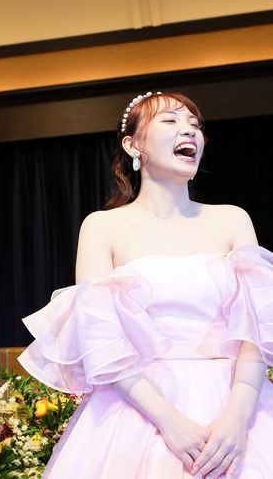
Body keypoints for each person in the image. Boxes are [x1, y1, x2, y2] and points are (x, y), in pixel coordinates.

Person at [19, 92, 273, 478]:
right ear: (133, 144)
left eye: (194, 125)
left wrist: (238, 419)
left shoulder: (232, 220)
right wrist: (170, 423)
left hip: (236, 405)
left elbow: (257, 328)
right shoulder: (103, 227)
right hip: (139, 409)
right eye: (170, 121)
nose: (188, 130)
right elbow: (100, 339)